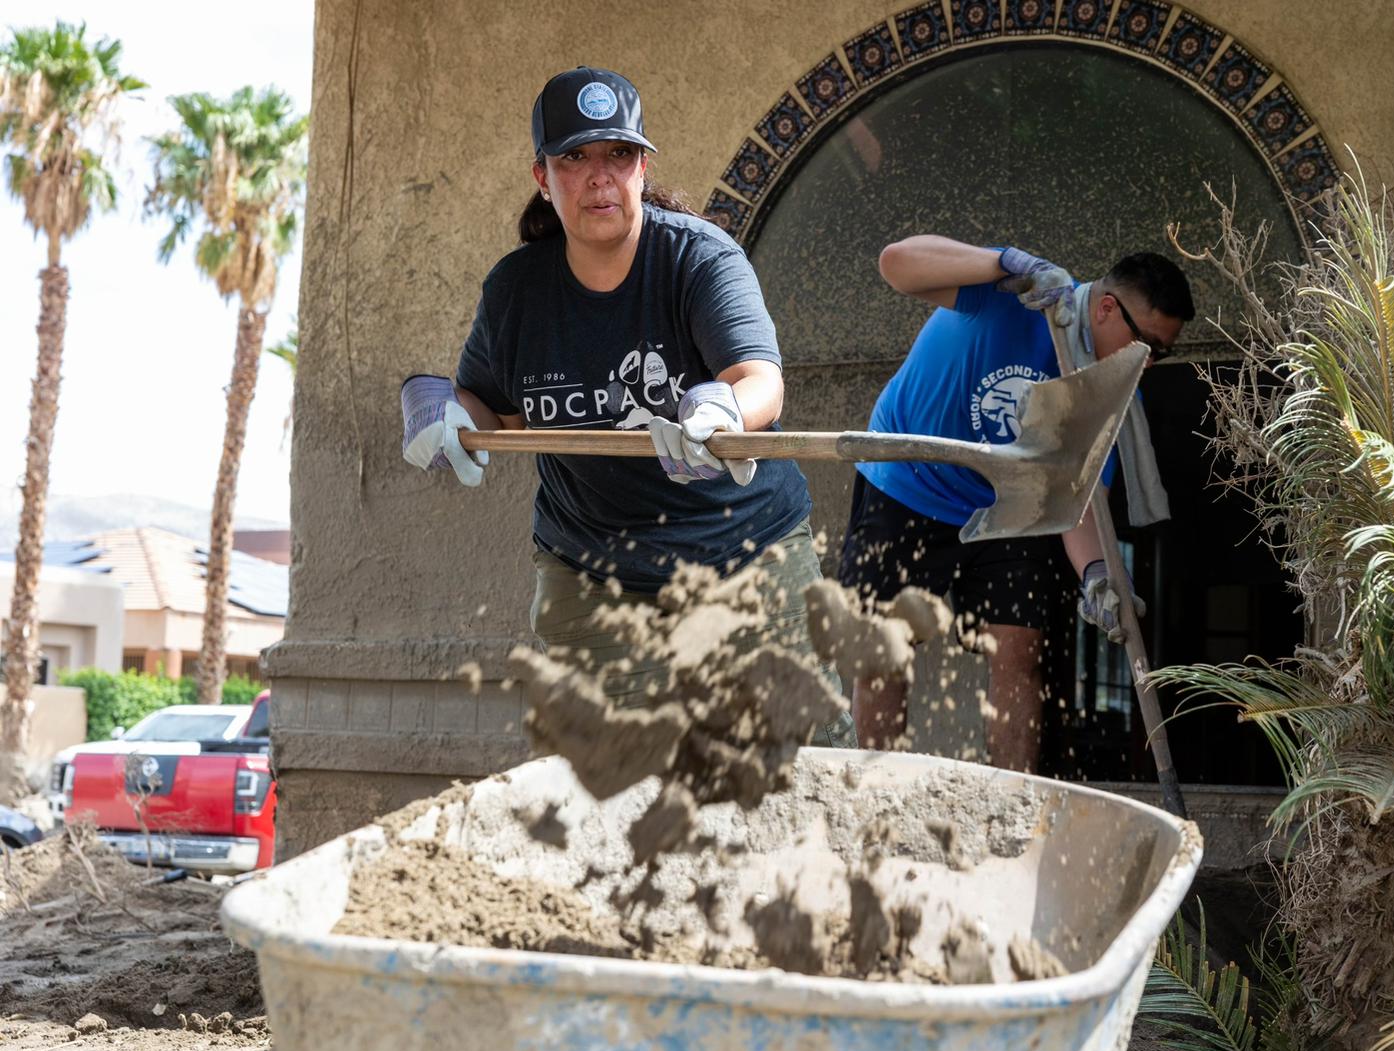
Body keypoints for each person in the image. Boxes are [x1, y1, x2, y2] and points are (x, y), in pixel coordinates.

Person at [400, 66, 854, 747]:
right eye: (574, 158)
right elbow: (494, 415)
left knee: (801, 782)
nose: (598, 177)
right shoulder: (515, 291)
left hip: (748, 558)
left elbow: (760, 378)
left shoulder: (700, 260)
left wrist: (722, 409)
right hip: (590, 577)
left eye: (618, 154)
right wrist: (445, 409)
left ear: (642, 168)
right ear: (543, 178)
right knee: (602, 803)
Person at [837, 235, 1194, 772]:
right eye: (1149, 346)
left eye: (1161, 353)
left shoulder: (1106, 390)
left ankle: (1010, 803)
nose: (1148, 364)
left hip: (1008, 508)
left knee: (1020, 653)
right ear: (1105, 308)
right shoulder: (1015, 296)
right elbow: (894, 264)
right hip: (907, 483)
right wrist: (1002, 263)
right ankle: (879, 795)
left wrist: (1099, 573)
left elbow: (1076, 495)